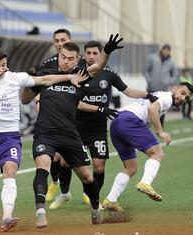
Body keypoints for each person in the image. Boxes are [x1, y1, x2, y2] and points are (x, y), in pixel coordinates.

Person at [0, 47, 88, 232]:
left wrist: (69, 77)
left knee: (10, 172)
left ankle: (7, 217)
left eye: (4, 64)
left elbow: (44, 80)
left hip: (10, 137)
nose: (2, 68)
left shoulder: (16, 77)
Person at [21, 35, 124, 228]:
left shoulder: (80, 75)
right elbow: (26, 99)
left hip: (70, 134)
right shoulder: (46, 74)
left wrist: (107, 52)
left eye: (70, 58)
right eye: (63, 56)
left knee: (87, 176)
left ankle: (95, 207)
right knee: (43, 165)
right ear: (58, 55)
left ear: (77, 60)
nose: (66, 61)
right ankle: (41, 211)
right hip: (45, 132)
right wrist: (28, 84)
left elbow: (98, 67)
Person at [49, 40, 152, 209]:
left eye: (95, 53)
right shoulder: (78, 73)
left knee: (98, 166)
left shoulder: (109, 75)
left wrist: (149, 94)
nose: (91, 57)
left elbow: (128, 91)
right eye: (88, 53)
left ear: (100, 54)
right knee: (65, 162)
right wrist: (100, 109)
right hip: (76, 127)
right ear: (84, 54)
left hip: (97, 129)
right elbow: (75, 103)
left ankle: (92, 196)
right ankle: (65, 193)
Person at [102, 82, 193, 211]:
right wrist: (160, 131)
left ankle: (110, 201)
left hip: (117, 121)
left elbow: (148, 117)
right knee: (158, 153)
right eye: (182, 93)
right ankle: (145, 183)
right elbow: (152, 110)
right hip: (129, 120)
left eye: (187, 98)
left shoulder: (160, 96)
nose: (183, 98)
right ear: (174, 88)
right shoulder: (166, 98)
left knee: (131, 167)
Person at [37, 28, 88, 204]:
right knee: (57, 158)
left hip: (79, 119)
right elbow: (39, 86)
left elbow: (97, 70)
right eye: (56, 40)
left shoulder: (81, 66)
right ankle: (58, 186)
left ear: (70, 40)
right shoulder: (47, 64)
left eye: (63, 40)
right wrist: (39, 104)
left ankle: (86, 192)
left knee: (78, 163)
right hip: (56, 121)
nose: (59, 43)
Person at [143, 44, 178, 126]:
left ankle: (160, 128)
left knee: (162, 109)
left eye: (168, 51)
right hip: (152, 88)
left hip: (164, 90)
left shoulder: (171, 62)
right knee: (148, 107)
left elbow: (175, 74)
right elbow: (145, 70)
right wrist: (149, 81)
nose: (166, 52)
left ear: (169, 51)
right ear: (161, 50)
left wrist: (169, 82)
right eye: (164, 50)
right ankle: (146, 126)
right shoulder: (152, 58)